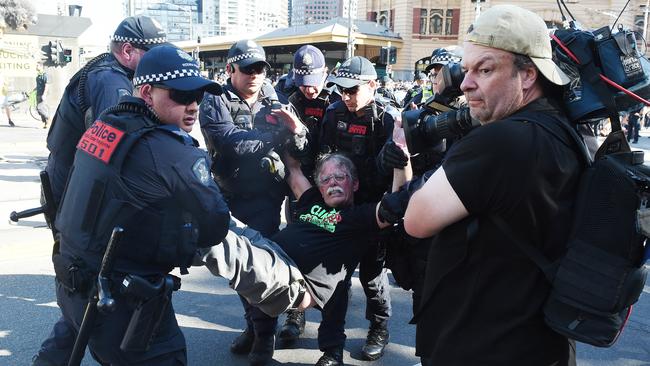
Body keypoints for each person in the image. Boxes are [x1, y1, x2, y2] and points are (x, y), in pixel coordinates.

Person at [403, 5, 579, 366]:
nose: (466, 83)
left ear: (528, 75)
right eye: (465, 70)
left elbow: (415, 220)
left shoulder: (502, 142)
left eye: (484, 69)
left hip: (484, 344)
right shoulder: (560, 130)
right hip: (539, 342)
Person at [35, 45, 230, 366]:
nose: (193, 105)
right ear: (147, 92)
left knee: (62, 345)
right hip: (124, 303)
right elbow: (215, 225)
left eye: (199, 95)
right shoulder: (173, 151)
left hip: (73, 282)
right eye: (181, 95)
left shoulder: (105, 124)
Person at [197, 151, 409, 366]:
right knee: (226, 224)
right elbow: (294, 171)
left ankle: (188, 234)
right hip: (269, 250)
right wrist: (291, 136)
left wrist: (402, 158)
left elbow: (397, 202)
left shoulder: (359, 218)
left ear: (354, 184)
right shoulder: (313, 201)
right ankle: (193, 198)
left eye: (339, 177)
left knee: (224, 247)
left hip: (291, 277)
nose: (332, 183)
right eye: (325, 180)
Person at [199, 39, 308, 366]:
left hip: (265, 197)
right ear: (230, 69)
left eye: (260, 69)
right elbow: (232, 145)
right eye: (248, 69)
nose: (255, 76)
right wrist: (277, 135)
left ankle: (263, 335)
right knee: (239, 268)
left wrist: (298, 130)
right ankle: (255, 327)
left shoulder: (276, 98)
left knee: (260, 266)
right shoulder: (214, 100)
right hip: (230, 194)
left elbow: (300, 143)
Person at [44, 15, 169, 208]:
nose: (159, 60)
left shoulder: (112, 71)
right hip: (72, 189)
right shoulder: (110, 82)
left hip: (72, 178)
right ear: (128, 51)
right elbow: (120, 149)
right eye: (153, 53)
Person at [320, 55, 398, 361]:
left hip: (373, 210)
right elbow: (323, 154)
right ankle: (331, 347)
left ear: (372, 85)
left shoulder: (386, 119)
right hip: (340, 205)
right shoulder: (333, 112)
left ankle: (379, 327)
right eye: (342, 90)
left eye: (353, 90)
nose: (347, 96)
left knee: (372, 276)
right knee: (335, 277)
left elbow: (398, 174)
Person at [274, 44, 341, 346]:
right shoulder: (288, 97)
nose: (309, 88)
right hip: (298, 182)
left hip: (330, 183)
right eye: (303, 81)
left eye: (314, 79)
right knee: (297, 245)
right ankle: (295, 313)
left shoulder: (339, 99)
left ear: (325, 73)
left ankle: (332, 318)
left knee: (333, 250)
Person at [35, 62, 50, 128]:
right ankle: (44, 123)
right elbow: (38, 85)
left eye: (37, 65)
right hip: (38, 94)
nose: (36, 67)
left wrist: (44, 94)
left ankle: (49, 118)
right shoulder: (38, 76)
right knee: (40, 109)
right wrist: (33, 91)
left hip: (42, 94)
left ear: (41, 66)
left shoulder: (45, 75)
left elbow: (47, 86)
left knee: (39, 108)